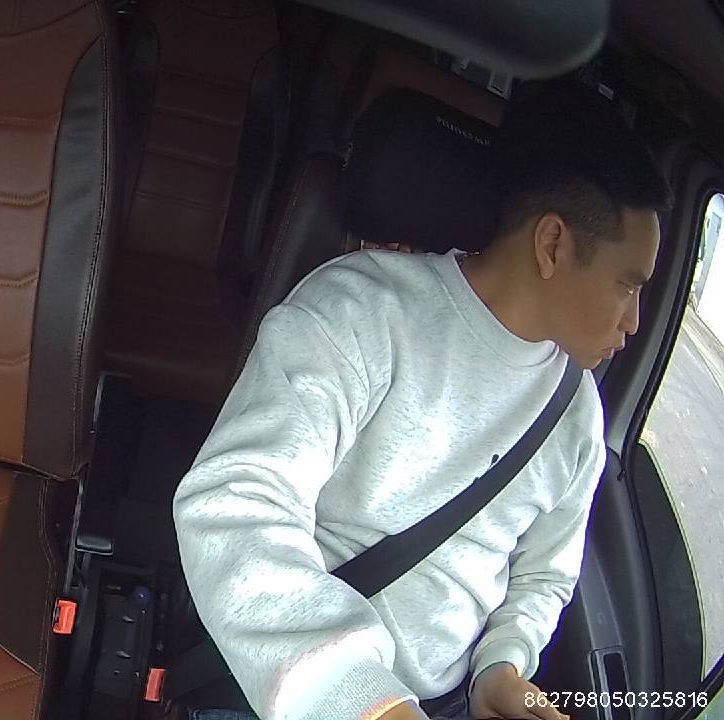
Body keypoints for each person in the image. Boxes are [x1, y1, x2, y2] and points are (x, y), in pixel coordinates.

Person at [172, 79, 672, 720]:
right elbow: (237, 500)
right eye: (627, 286)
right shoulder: (359, 312)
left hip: (443, 703)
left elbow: (544, 575)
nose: (633, 322)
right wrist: (363, 701)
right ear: (552, 245)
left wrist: (502, 667)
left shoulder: (577, 415)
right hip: (283, 685)